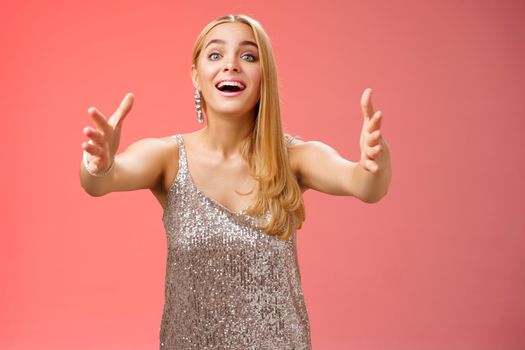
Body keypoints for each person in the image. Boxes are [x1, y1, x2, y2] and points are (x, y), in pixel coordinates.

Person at [79, 14, 391, 350]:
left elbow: (364, 185)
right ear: (196, 76)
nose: (231, 65)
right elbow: (102, 182)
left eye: (248, 56)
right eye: (215, 55)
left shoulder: (295, 157)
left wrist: (375, 163)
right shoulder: (166, 156)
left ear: (264, 76)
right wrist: (98, 164)